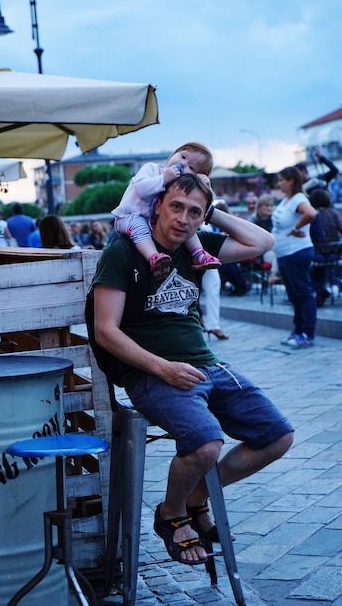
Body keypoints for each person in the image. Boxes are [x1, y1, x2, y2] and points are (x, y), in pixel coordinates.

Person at [91, 172, 294, 566]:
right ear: (158, 206)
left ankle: (196, 498)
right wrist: (162, 368)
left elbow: (263, 242)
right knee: (205, 444)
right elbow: (105, 331)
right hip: (151, 371)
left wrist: (212, 211)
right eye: (176, 207)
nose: (182, 219)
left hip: (208, 365)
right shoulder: (123, 250)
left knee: (277, 436)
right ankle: (170, 514)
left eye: (193, 212)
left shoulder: (196, 246)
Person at [111, 142, 221, 281]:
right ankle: (154, 258)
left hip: (151, 222)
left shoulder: (176, 185)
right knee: (140, 227)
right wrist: (163, 178)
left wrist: (206, 187)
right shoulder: (152, 168)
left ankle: (199, 254)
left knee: (185, 225)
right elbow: (141, 188)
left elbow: (205, 204)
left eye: (191, 167)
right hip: (128, 216)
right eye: (183, 156)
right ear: (173, 154)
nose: (183, 164)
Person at [271, 167, 317, 349]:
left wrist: (297, 228)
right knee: (294, 296)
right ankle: (298, 330)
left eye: (282, 180)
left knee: (303, 294)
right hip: (284, 254)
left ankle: (308, 333)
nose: (279, 183)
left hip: (296, 252)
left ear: (291, 181)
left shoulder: (298, 199)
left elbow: (311, 214)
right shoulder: (285, 200)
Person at [309, 188, 342, 306]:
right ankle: (324, 290)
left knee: (315, 270)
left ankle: (319, 290)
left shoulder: (311, 214)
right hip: (334, 255)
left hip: (316, 256)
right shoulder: (333, 213)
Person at [252, 194, 279, 284]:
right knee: (277, 255)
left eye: (271, 205)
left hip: (276, 248)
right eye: (267, 205)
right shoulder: (254, 223)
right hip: (262, 253)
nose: (270, 208)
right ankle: (273, 275)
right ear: (260, 207)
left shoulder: (276, 221)